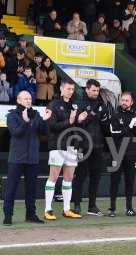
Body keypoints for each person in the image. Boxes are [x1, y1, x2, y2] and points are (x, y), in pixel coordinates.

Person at [3, 91, 52, 225]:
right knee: (11, 189)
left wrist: (45, 120)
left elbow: (45, 132)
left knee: (31, 189)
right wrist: (25, 122)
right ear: (18, 100)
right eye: (25, 98)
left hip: (32, 159)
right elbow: (16, 133)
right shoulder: (12, 115)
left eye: (30, 98)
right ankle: (8, 216)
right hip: (16, 159)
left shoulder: (36, 115)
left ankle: (30, 215)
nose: (28, 101)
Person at [44, 79, 85, 221]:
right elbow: (52, 126)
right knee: (53, 178)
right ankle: (47, 210)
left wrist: (80, 119)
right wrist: (70, 121)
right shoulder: (53, 104)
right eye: (68, 88)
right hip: (57, 145)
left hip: (71, 146)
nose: (70, 91)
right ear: (61, 89)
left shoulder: (75, 105)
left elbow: (77, 125)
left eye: (72, 89)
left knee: (68, 178)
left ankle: (66, 209)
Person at [72, 79, 112, 216]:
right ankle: (76, 205)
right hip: (83, 145)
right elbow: (77, 124)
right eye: (94, 90)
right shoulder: (78, 104)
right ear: (87, 89)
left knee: (96, 176)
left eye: (97, 90)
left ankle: (92, 206)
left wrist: (105, 119)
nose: (96, 93)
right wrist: (93, 114)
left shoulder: (102, 105)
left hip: (98, 146)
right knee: (80, 176)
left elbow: (106, 128)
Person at [108, 91, 136, 217]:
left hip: (132, 153)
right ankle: (112, 209)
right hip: (117, 152)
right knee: (114, 180)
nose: (124, 102)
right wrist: (129, 126)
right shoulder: (115, 116)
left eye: (127, 100)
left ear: (132, 102)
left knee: (130, 181)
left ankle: (129, 208)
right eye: (123, 100)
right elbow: (115, 134)